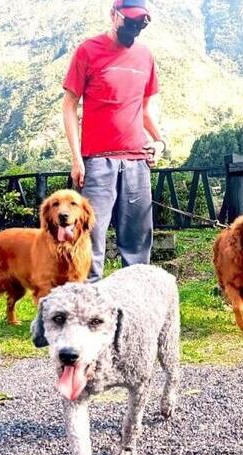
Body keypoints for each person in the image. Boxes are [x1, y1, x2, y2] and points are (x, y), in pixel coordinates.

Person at [62, 0, 166, 282]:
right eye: (129, 21)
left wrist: (160, 142)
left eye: (141, 23)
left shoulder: (146, 57)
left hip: (136, 160)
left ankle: (134, 312)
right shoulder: (88, 51)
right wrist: (76, 157)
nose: (135, 28)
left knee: (137, 242)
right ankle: (88, 315)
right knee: (89, 239)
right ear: (113, 15)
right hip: (97, 162)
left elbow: (145, 109)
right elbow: (69, 105)